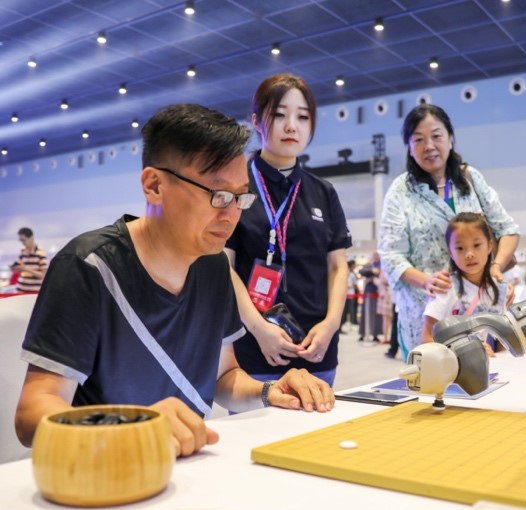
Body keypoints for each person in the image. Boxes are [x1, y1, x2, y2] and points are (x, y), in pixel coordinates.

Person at [14, 104, 334, 457]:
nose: (230, 214)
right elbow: (33, 413)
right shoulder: (89, 266)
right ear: (154, 185)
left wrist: (269, 390)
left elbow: (224, 377)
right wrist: (131, 428)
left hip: (188, 471)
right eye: (217, 194)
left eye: (240, 197)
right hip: (106, 472)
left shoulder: (214, 266)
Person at [225, 74, 351, 387]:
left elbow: (337, 268)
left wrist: (331, 325)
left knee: (317, 430)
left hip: (316, 348)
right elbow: (222, 266)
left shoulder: (323, 192)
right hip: (257, 346)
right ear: (256, 120)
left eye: (303, 117)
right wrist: (258, 328)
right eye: (280, 114)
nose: (292, 126)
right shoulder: (236, 188)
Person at [379, 103, 519, 358]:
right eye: (418, 139)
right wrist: (426, 280)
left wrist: (496, 267)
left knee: (482, 377)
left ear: (451, 139)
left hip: (477, 314)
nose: (429, 145)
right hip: (426, 312)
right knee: (432, 380)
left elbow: (507, 229)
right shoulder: (400, 191)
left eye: (436, 136)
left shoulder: (470, 179)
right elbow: (390, 256)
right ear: (410, 147)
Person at [422, 213, 509, 357]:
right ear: (450, 252)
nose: (469, 254)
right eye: (460, 248)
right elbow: (427, 339)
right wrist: (460, 353)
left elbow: (502, 339)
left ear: (489, 246)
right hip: (450, 370)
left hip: (488, 369)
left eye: (476, 245)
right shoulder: (445, 287)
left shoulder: (500, 289)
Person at [11, 227, 48, 293]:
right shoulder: (23, 251)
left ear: (31, 238)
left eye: (24, 240)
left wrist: (26, 269)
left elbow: (43, 275)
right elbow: (20, 271)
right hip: (20, 289)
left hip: (34, 292)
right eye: (21, 240)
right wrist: (16, 268)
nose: (22, 243)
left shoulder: (40, 253)